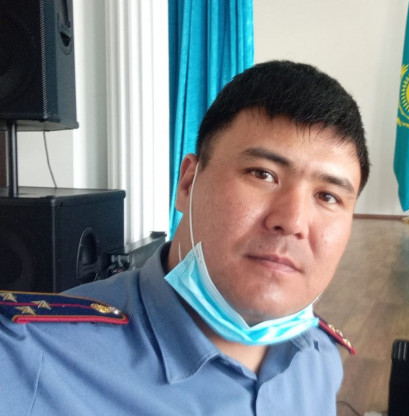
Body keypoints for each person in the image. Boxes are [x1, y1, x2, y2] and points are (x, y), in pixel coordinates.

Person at [0, 60, 370, 415]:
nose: (292, 221)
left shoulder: (320, 358)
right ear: (188, 183)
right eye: (262, 174)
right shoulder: (27, 360)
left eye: (328, 197)